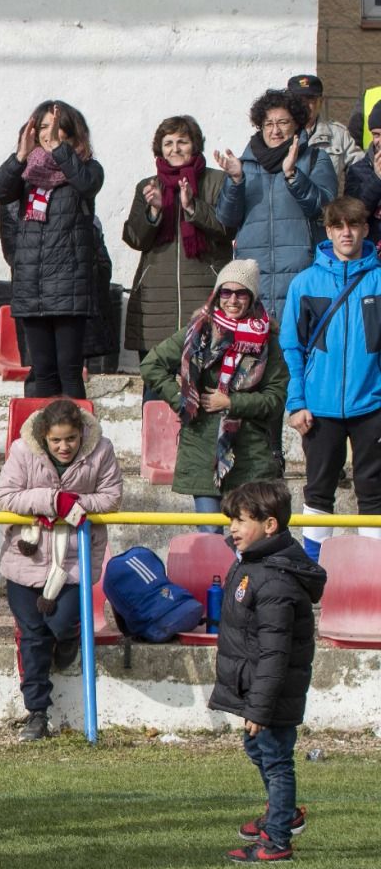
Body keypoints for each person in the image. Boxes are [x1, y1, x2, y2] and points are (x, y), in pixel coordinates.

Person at [210, 480, 326, 864]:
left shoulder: (275, 580)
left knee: (276, 759)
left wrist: (259, 708)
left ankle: (277, 839)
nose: (233, 528)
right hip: (256, 688)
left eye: (241, 521)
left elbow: (275, 653)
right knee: (256, 748)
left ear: (270, 525)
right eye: (232, 521)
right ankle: (284, 813)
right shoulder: (253, 564)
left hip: (272, 692)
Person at [0, 399, 123, 740]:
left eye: (70, 439)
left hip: (74, 560)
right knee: (33, 635)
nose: (64, 447)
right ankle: (37, 712)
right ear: (44, 438)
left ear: (81, 434)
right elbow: (6, 497)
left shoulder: (102, 450)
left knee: (60, 622)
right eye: (56, 441)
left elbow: (111, 497)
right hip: (26, 559)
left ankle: (67, 639)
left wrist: (75, 505)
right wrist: (53, 501)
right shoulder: (22, 450)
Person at [141, 261, 288, 530]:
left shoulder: (269, 341)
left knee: (246, 535)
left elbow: (275, 398)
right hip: (202, 450)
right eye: (226, 292)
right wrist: (184, 400)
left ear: (252, 296)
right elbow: (152, 365)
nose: (232, 300)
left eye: (241, 293)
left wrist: (232, 402)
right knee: (210, 534)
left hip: (250, 455)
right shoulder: (199, 330)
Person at [279, 196, 381, 559]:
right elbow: (290, 349)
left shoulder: (379, 282)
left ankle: (371, 574)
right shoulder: (304, 283)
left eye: (354, 225)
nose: (347, 233)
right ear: (328, 231)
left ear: (366, 229)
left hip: (372, 405)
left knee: (374, 491)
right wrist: (297, 402)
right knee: (318, 490)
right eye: (339, 226)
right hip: (319, 407)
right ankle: (314, 571)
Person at [0, 100, 105, 399]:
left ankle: (80, 440)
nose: (46, 133)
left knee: (68, 370)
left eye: (54, 127)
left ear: (70, 132)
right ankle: (41, 441)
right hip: (31, 285)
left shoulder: (86, 168)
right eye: (41, 127)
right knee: (42, 372)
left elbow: (87, 184)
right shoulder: (27, 170)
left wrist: (59, 150)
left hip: (68, 286)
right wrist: (20, 156)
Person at [213, 89, 337, 318]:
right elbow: (226, 220)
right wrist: (236, 180)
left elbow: (324, 208)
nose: (275, 130)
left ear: (297, 124)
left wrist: (293, 176)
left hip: (302, 273)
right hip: (252, 276)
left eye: (283, 122)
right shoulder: (243, 165)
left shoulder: (314, 159)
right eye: (268, 123)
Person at [121, 115, 235, 362]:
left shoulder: (217, 181)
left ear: (194, 144)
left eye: (181, 141)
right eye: (168, 143)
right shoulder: (148, 186)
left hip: (206, 294)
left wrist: (192, 207)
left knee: (201, 384)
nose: (175, 149)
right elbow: (135, 238)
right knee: (156, 386)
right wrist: (154, 212)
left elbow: (228, 228)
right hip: (156, 302)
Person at [288, 74, 362, 196]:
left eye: (310, 99)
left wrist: (347, 207)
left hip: (325, 212)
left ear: (320, 102)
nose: (304, 105)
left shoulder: (339, 134)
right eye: (298, 100)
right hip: (289, 211)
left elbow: (361, 175)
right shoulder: (277, 134)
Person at [342, 102, 381, 244]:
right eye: (376, 135)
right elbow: (351, 216)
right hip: (371, 256)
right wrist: (377, 178)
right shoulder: (358, 170)